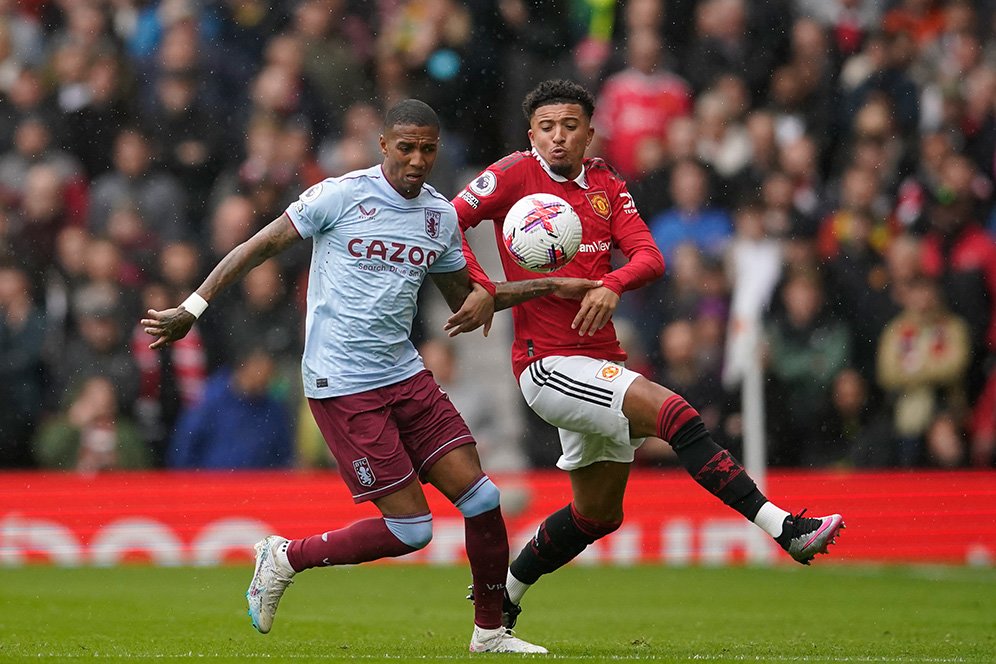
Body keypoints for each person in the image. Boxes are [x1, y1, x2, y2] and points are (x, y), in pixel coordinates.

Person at [141, 99, 598, 654]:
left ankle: (490, 633)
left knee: (482, 500)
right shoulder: (340, 195)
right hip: (343, 383)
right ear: (383, 146)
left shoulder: (439, 217)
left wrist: (551, 286)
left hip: (404, 373)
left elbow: (468, 301)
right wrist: (194, 306)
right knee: (413, 531)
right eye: (406, 147)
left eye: (428, 149)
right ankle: (285, 557)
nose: (417, 159)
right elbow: (255, 247)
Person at [446, 79, 845, 633]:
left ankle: (502, 602)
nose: (556, 138)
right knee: (676, 414)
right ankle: (785, 529)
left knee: (598, 515)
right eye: (545, 128)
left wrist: (610, 283)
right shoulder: (514, 173)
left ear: (590, 131)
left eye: (568, 127)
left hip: (598, 356)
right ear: (530, 133)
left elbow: (650, 255)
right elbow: (447, 220)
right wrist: (481, 284)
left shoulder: (606, 181)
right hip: (547, 365)